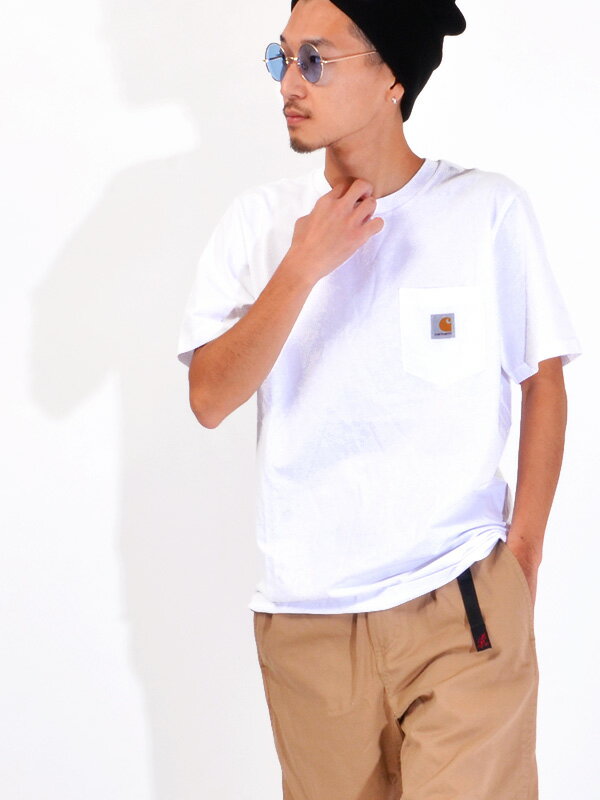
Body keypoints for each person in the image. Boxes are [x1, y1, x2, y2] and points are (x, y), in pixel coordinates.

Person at [177, 0, 583, 797]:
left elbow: (544, 378)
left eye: (315, 60)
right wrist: (303, 266)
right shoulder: (260, 225)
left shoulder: (484, 210)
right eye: (282, 58)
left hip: (460, 604)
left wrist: (523, 557)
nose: (289, 84)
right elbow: (209, 398)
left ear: (393, 76)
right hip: (306, 626)